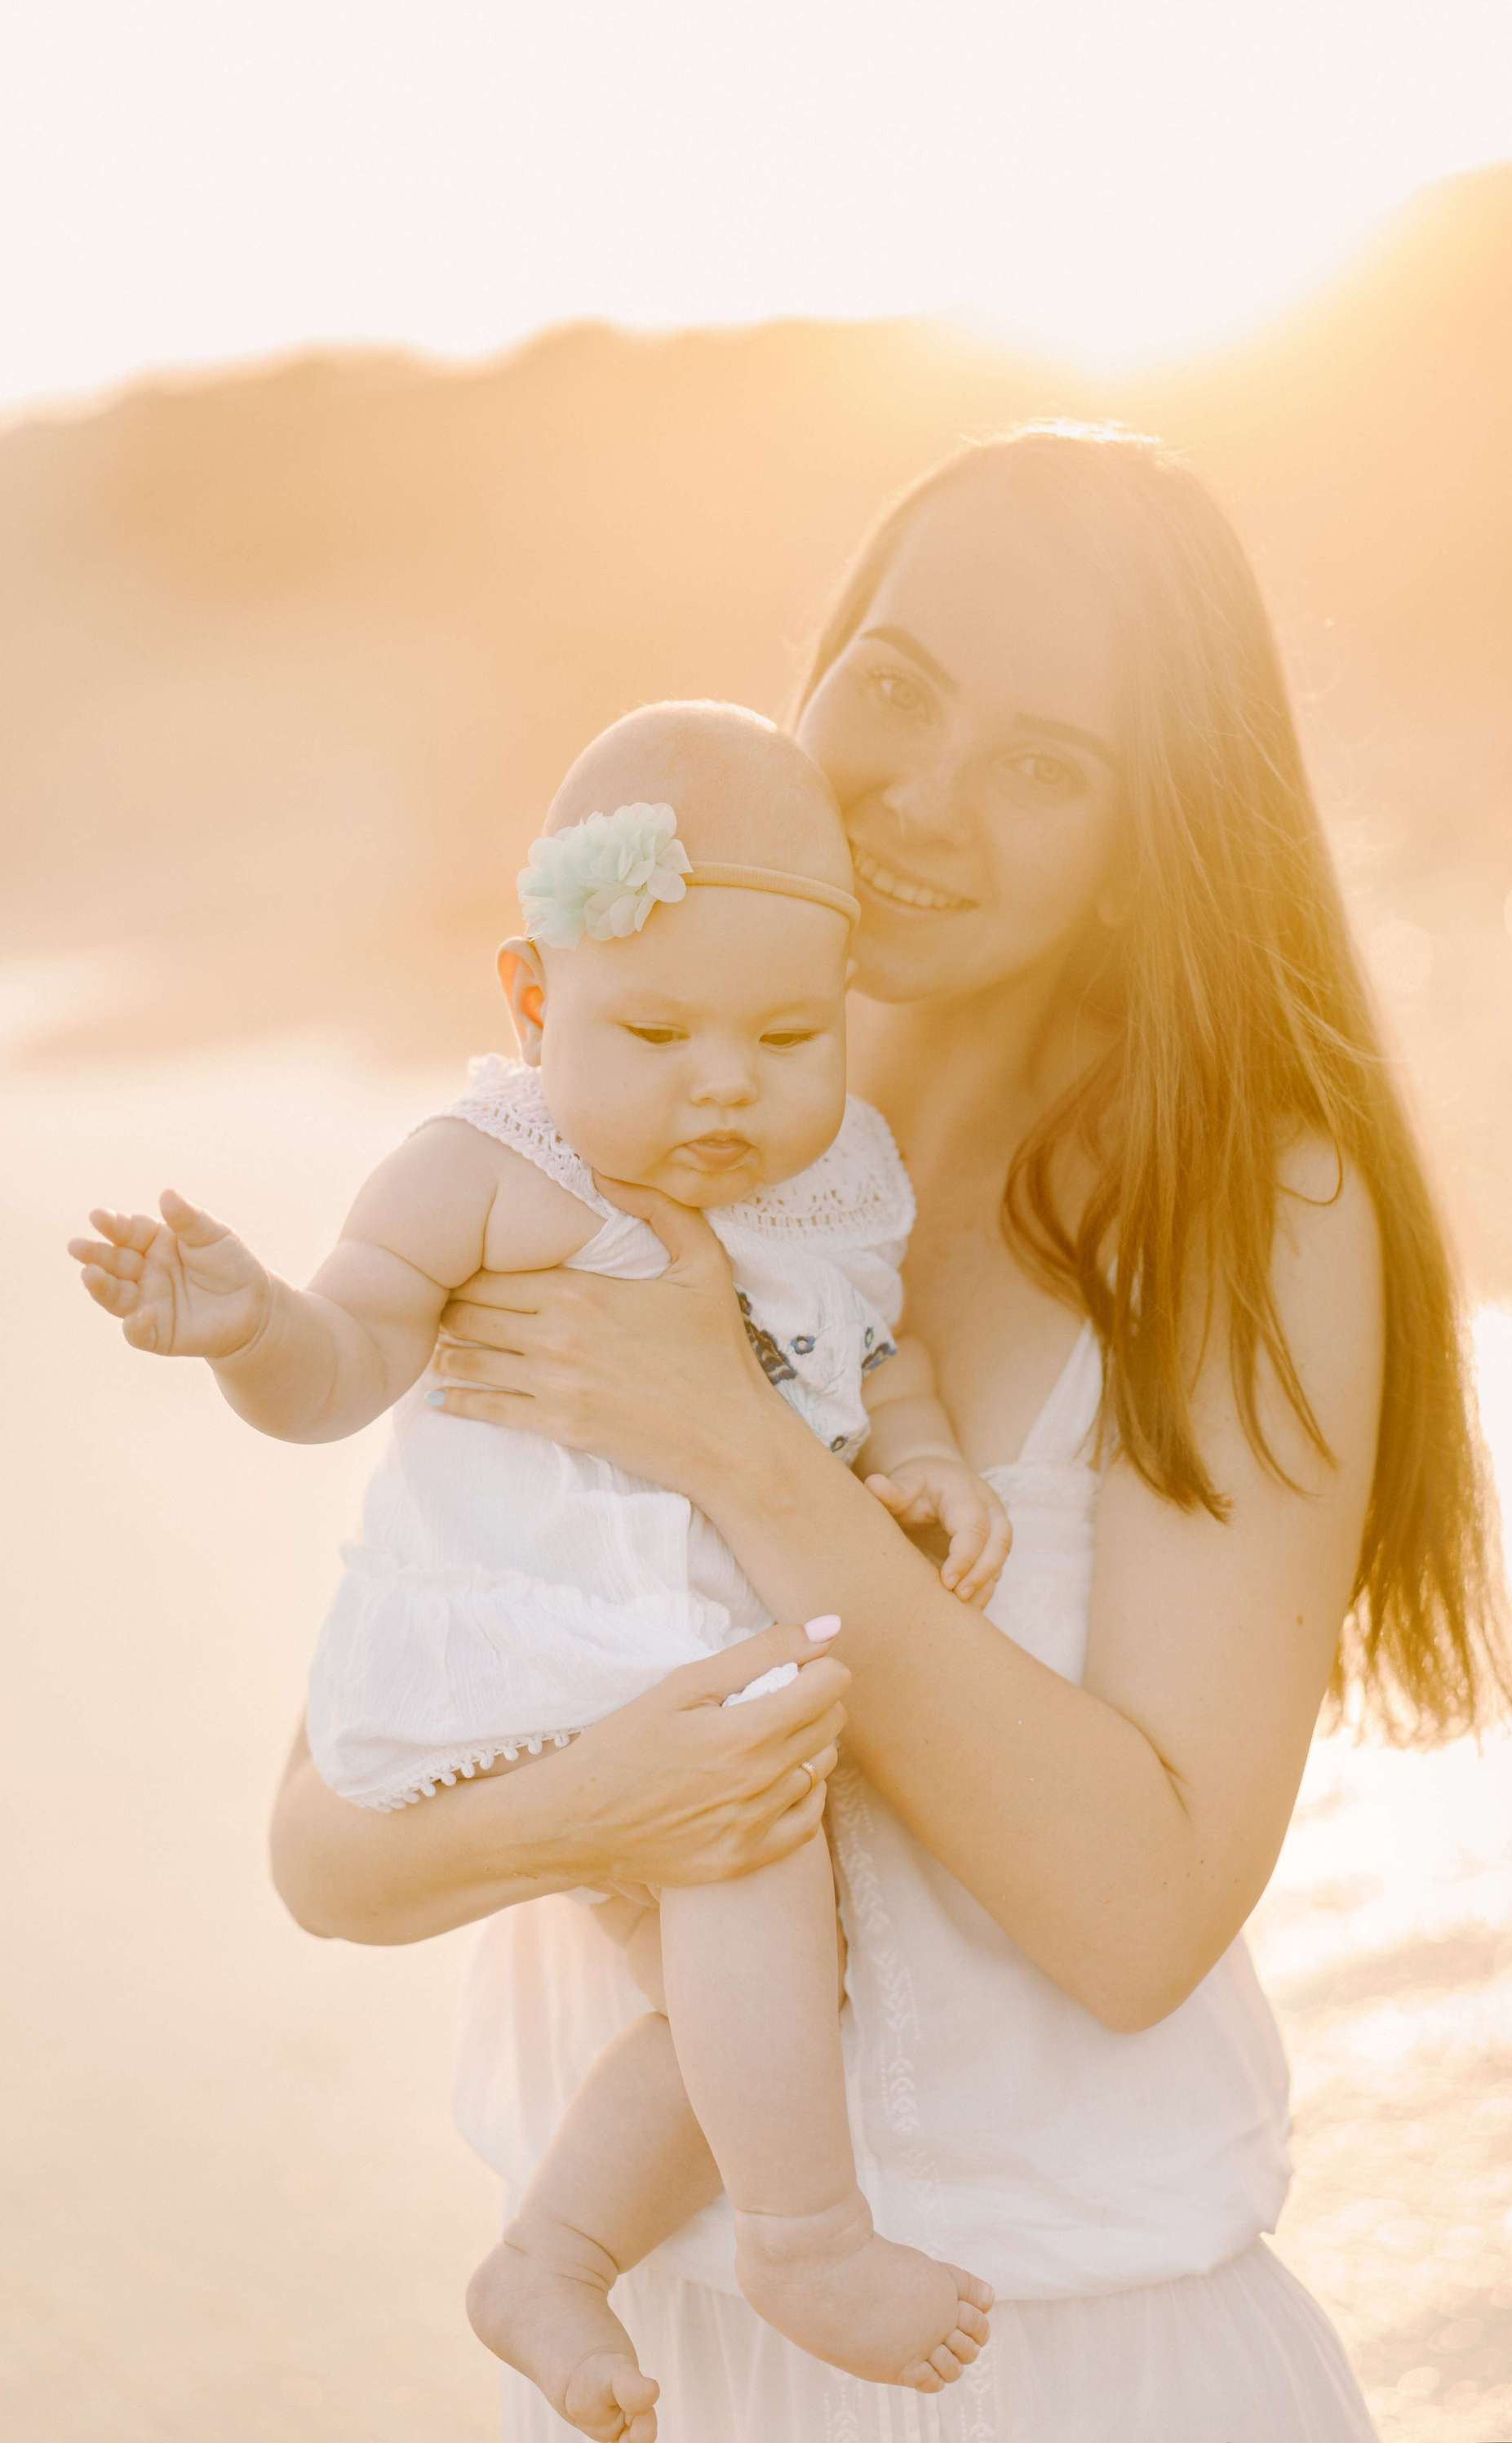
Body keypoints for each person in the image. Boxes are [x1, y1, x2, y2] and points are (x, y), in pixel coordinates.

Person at [268, 421, 1512, 2441]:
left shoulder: (1242, 1200)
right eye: (897, 688)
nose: (924, 798)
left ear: (1158, 831)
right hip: (640, 2353)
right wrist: (624, 1808)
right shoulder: (606, 1137)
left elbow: (1138, 1917)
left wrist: (749, 1454)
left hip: (1062, 2364)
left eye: (1047, 766)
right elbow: (334, 1843)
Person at [69, 702, 1013, 2438]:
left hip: (692, 1648)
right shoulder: (486, 1170)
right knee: (750, 1868)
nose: (724, 1081)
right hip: (542, 1641)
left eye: (787, 1034)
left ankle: (553, 2257)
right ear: (530, 1002)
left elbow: (875, 1360)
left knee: (777, 1983)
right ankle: (804, 2237)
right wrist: (251, 1327)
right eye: (653, 1028)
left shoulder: (835, 1181)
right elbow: (346, 1360)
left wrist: (932, 1458)